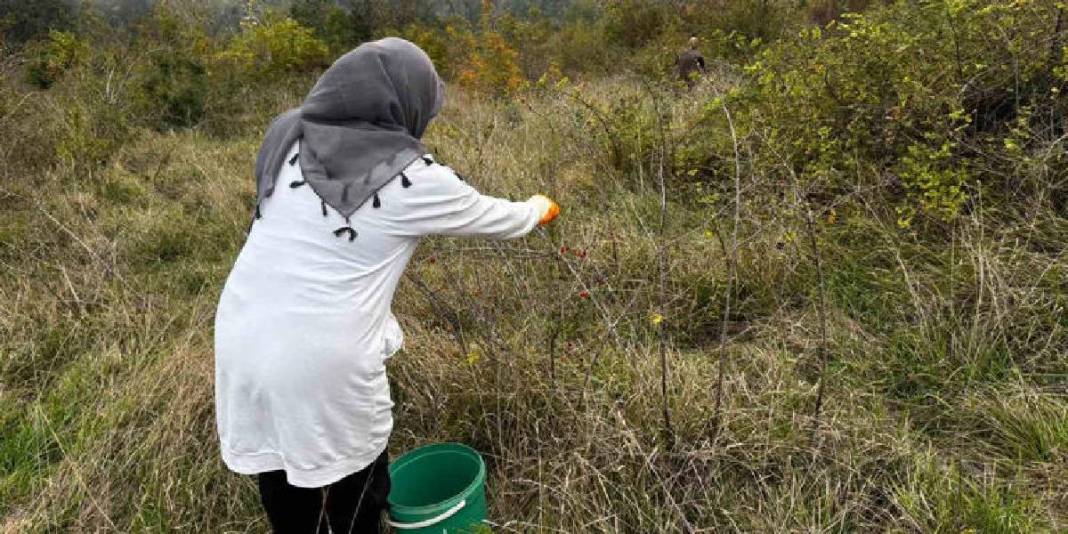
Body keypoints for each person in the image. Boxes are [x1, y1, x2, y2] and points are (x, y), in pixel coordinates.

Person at [213, 38, 560, 534]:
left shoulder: (288, 135)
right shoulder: (409, 178)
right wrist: (537, 208)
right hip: (322, 358)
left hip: (239, 337)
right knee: (360, 484)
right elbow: (498, 218)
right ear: (402, 101)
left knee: (281, 475)